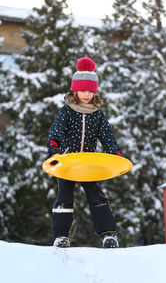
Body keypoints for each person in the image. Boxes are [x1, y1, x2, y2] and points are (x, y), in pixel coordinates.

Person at [47, 57, 122, 248]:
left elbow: (106, 135)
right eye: (83, 90)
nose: (87, 94)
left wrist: (115, 153)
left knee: (96, 196)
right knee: (64, 196)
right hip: (68, 162)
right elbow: (57, 129)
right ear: (75, 90)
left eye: (90, 90)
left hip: (88, 163)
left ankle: (108, 235)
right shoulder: (67, 111)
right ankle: (61, 237)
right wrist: (54, 145)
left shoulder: (97, 113)